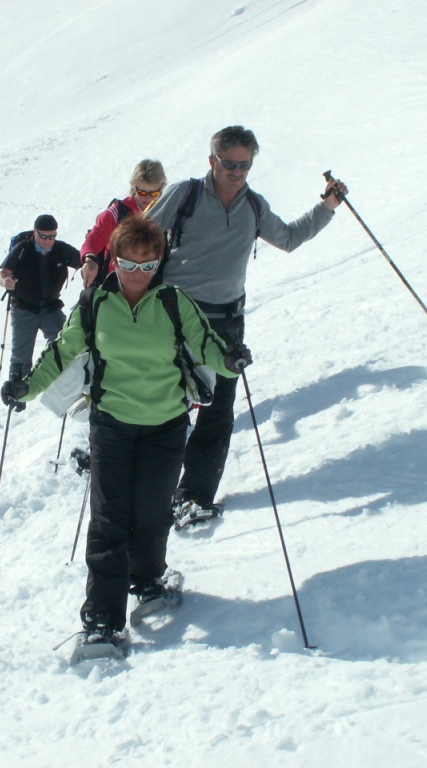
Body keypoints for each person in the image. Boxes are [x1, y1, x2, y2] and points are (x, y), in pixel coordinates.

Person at [0, 217, 251, 645]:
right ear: (113, 261)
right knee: (109, 518)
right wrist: (27, 386)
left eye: (147, 265)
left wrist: (229, 360)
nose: (138, 274)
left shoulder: (174, 302)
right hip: (111, 425)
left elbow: (205, 343)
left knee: (152, 512)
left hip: (166, 426)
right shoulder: (95, 303)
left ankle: (148, 580)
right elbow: (61, 352)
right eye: (128, 264)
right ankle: (102, 617)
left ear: (159, 262)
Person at [146, 125, 348, 524]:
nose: (237, 172)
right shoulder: (185, 194)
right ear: (212, 161)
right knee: (166, 405)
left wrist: (327, 206)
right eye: (229, 164)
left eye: (244, 165)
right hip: (175, 316)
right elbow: (139, 235)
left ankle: (194, 496)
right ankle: (151, 490)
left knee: (218, 412)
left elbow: (288, 238)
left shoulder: (254, 206)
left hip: (226, 321)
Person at [0, 214, 82, 381]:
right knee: (21, 356)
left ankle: (63, 385)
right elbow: (3, 272)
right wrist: (5, 281)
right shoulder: (22, 249)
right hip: (23, 308)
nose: (48, 241)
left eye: (52, 236)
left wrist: (90, 264)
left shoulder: (61, 249)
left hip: (51, 307)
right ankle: (17, 391)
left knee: (64, 345)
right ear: (35, 231)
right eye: (44, 236)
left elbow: (84, 260)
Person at [80, 159, 167, 287]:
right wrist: (90, 260)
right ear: (134, 188)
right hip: (116, 285)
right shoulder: (116, 213)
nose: (148, 198)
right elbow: (93, 240)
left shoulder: (166, 212)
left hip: (151, 285)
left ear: (161, 189)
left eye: (153, 193)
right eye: (142, 192)